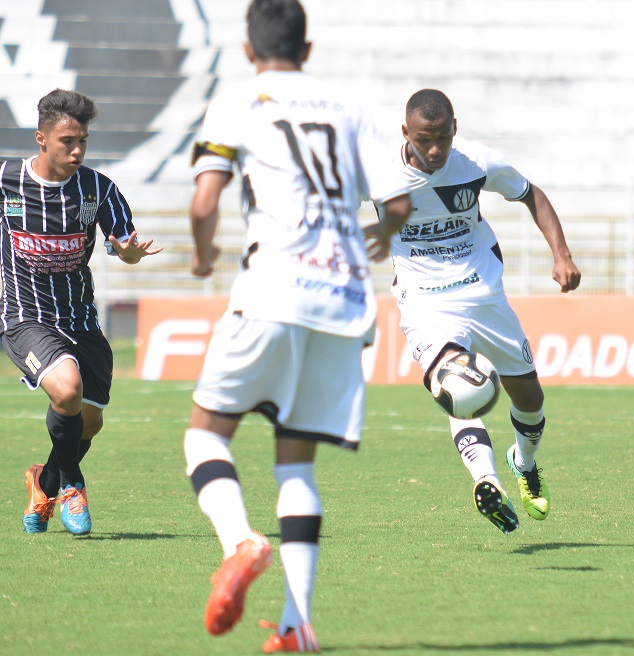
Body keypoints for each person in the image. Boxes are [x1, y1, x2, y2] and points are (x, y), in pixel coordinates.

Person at [183, 0, 411, 652]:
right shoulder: (352, 106)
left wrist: (203, 257)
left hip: (272, 289)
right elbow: (396, 202)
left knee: (206, 437)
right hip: (343, 302)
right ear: (307, 49)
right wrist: (382, 235)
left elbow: (205, 202)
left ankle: (241, 543)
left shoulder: (238, 100)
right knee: (296, 465)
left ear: (250, 50)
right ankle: (298, 625)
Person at [379, 89, 581, 534]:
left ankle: (523, 464)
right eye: (423, 140)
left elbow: (532, 195)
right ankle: (486, 481)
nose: (434, 150)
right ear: (405, 133)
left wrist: (561, 254)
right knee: (457, 384)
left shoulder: (476, 162)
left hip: (485, 293)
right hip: (426, 300)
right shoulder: (377, 175)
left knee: (530, 399)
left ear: (456, 128)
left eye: (443, 138)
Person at [1, 89, 162, 536]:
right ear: (41, 138)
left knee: (90, 421)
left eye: (83, 142)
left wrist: (129, 254)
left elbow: (124, 245)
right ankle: (72, 485)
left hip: (81, 321)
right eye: (67, 141)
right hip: (25, 315)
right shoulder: (6, 181)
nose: (76, 150)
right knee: (67, 391)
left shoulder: (99, 188)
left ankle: (45, 480)